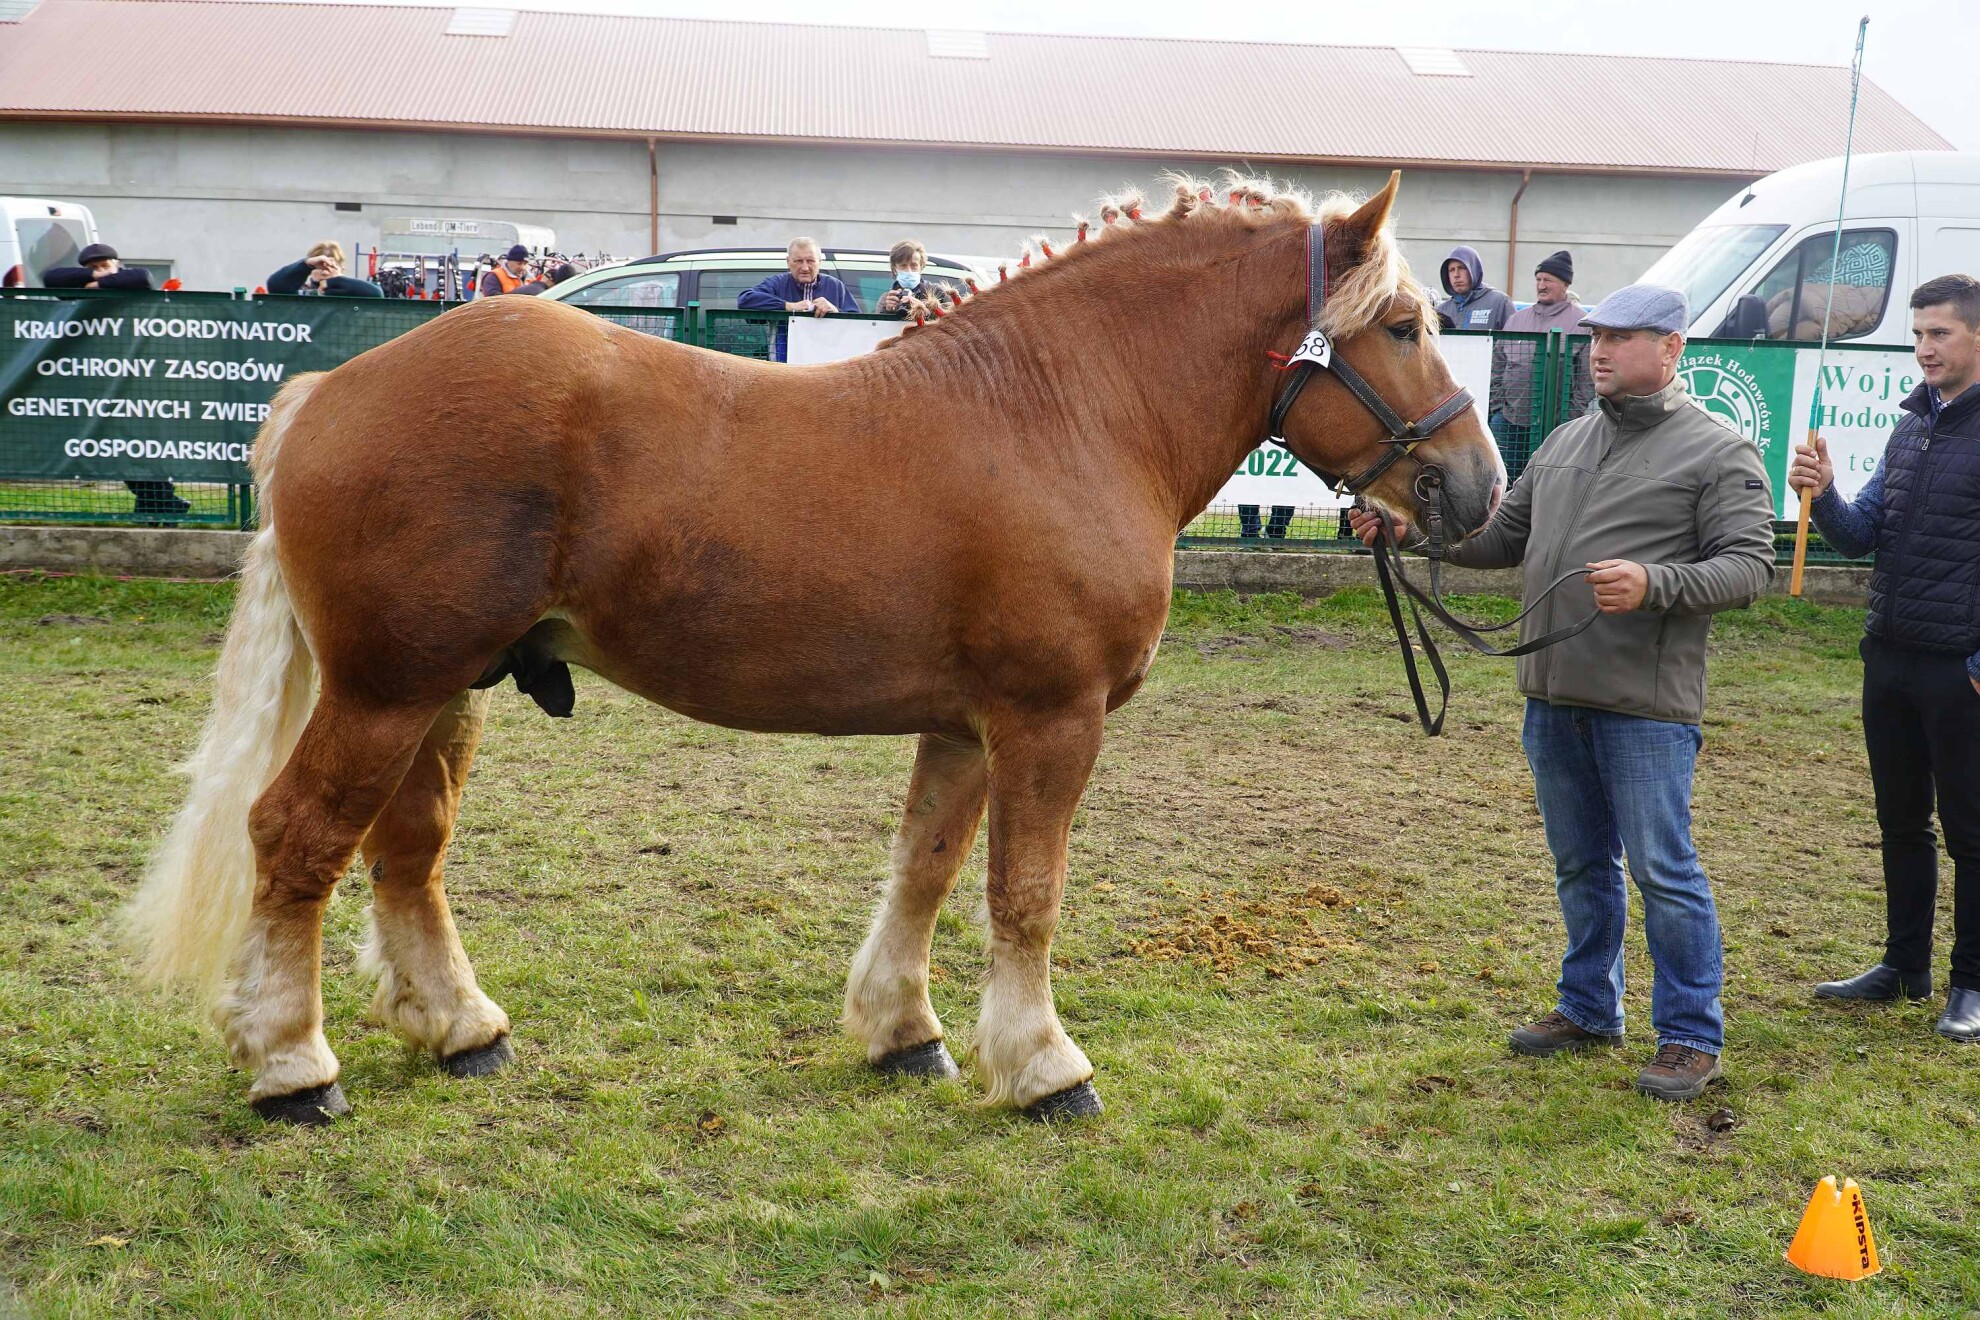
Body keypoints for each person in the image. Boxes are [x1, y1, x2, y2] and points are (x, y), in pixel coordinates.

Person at [1351, 284, 1776, 1101]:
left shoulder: (1719, 452)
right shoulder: (1566, 440)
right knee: (1581, 865)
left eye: (1620, 338)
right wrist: (1412, 532)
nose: (1599, 351)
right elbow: (1501, 540)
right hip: (1552, 696)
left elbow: (1749, 568)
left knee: (1664, 871)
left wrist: (1654, 583)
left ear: (1672, 349)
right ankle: (1588, 1007)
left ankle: (1691, 1034)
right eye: (1596, 337)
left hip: (1645, 707)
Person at [1789, 274, 1980, 1042]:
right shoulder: (1909, 428)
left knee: (1971, 832)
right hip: (1890, 657)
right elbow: (1861, 534)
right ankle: (1905, 967)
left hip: (1960, 670)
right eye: (1917, 334)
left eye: (1939, 333)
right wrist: (1826, 493)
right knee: (1901, 822)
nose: (1923, 348)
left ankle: (1971, 984)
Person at [1491, 250, 1594, 449]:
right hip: (1508, 422)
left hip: (1556, 426)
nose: (1541, 285)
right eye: (1538, 279)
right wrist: (1497, 407)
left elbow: (1586, 379)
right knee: (1506, 470)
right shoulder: (1516, 320)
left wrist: (1569, 417)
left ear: (1565, 284)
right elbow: (1497, 365)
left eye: (1548, 280)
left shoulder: (1581, 323)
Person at [736, 238, 860, 361]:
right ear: (788, 262)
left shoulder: (836, 286)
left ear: (820, 261)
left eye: (810, 261)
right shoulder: (777, 283)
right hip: (785, 365)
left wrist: (835, 311)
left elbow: (858, 325)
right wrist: (788, 306)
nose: (805, 268)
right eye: (798, 261)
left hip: (825, 365)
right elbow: (745, 300)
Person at [1435, 245, 1514, 333]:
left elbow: (1514, 340)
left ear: (1474, 269)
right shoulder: (1441, 311)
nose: (1456, 275)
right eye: (1451, 270)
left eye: (1462, 268)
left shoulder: (1500, 302)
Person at [266, 241, 383, 298]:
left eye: (331, 267)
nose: (325, 272)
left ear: (342, 269)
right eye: (320, 268)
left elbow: (376, 294)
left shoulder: (352, 291)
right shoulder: (303, 291)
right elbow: (274, 286)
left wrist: (337, 281)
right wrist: (306, 264)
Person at [42, 242, 154, 291]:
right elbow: (49, 277)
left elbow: (143, 277)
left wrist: (98, 284)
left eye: (105, 265)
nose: (101, 270)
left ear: (117, 264)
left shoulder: (129, 278)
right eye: (93, 267)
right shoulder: (81, 281)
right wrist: (95, 275)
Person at [876, 240, 941, 319]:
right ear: (895, 269)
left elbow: (949, 321)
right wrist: (887, 310)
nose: (909, 271)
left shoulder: (938, 293)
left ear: (921, 267)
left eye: (914, 265)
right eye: (903, 266)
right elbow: (877, 324)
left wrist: (926, 312)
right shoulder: (887, 298)